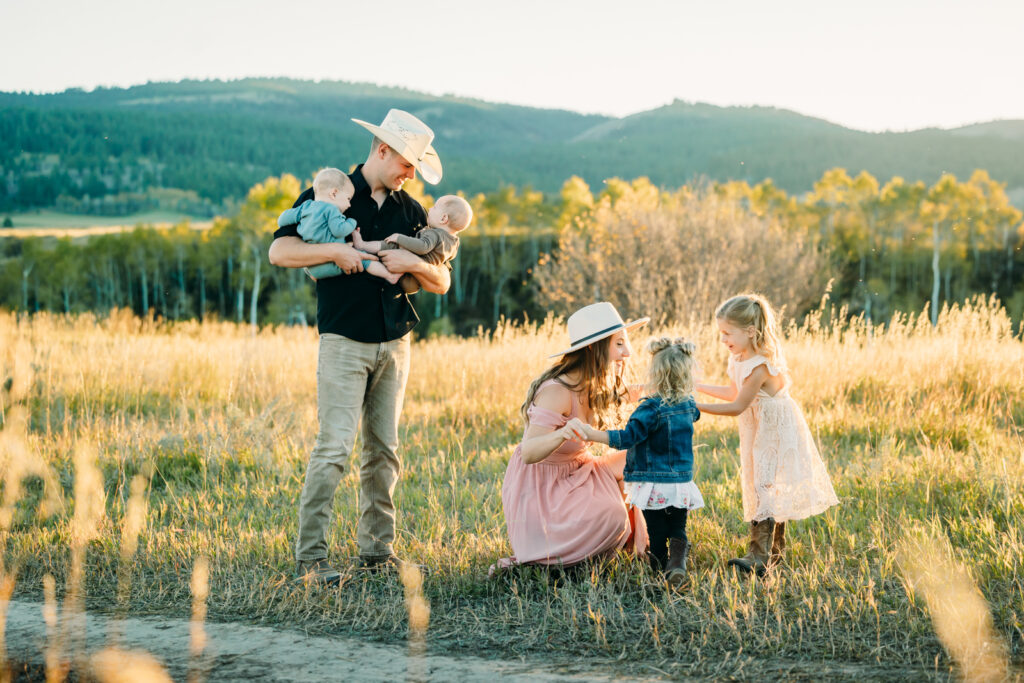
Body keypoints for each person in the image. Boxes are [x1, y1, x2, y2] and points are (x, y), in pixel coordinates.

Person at [268, 109, 451, 585]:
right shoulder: (326, 193)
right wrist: (337, 251)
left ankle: (377, 553)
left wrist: (410, 262)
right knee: (333, 449)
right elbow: (280, 252)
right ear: (382, 149)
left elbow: (442, 280)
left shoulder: (411, 211)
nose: (410, 173)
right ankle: (311, 561)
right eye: (407, 162)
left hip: (395, 346)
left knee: (384, 452)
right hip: (344, 342)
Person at [496, 301, 650, 573]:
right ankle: (555, 558)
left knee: (645, 456)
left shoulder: (595, 383)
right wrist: (562, 434)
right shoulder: (558, 390)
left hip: (577, 472)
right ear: (593, 347)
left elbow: (632, 393)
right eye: (619, 344)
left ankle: (654, 543)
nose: (628, 352)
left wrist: (663, 392)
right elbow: (529, 452)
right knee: (613, 516)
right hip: (544, 489)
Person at [695, 293, 839, 577]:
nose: (723, 339)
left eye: (727, 333)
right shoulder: (739, 358)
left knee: (766, 483)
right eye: (720, 333)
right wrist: (699, 387)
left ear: (750, 331)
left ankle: (761, 554)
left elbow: (737, 406)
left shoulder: (760, 365)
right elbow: (734, 392)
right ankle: (771, 552)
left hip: (775, 426)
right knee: (759, 480)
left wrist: (694, 407)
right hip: (758, 424)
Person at [567, 337, 703, 587]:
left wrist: (591, 433)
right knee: (677, 528)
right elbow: (695, 415)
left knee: (657, 531)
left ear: (655, 374)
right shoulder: (688, 405)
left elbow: (627, 438)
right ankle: (678, 564)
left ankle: (660, 569)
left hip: (652, 482)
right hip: (681, 482)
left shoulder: (648, 409)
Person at [275, 167, 402, 285]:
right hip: (330, 264)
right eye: (347, 199)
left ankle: (312, 273)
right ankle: (390, 276)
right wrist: (352, 222)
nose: (349, 205)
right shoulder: (331, 210)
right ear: (334, 193)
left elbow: (282, 219)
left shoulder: (305, 206)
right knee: (361, 256)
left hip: (312, 267)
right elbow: (338, 230)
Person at [352, 194, 473, 293]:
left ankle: (362, 245)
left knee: (391, 245)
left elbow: (422, 247)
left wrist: (399, 238)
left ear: (443, 219)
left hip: (409, 276)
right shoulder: (454, 242)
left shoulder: (434, 234)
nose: (430, 209)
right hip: (415, 284)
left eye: (435, 207)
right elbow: (445, 260)